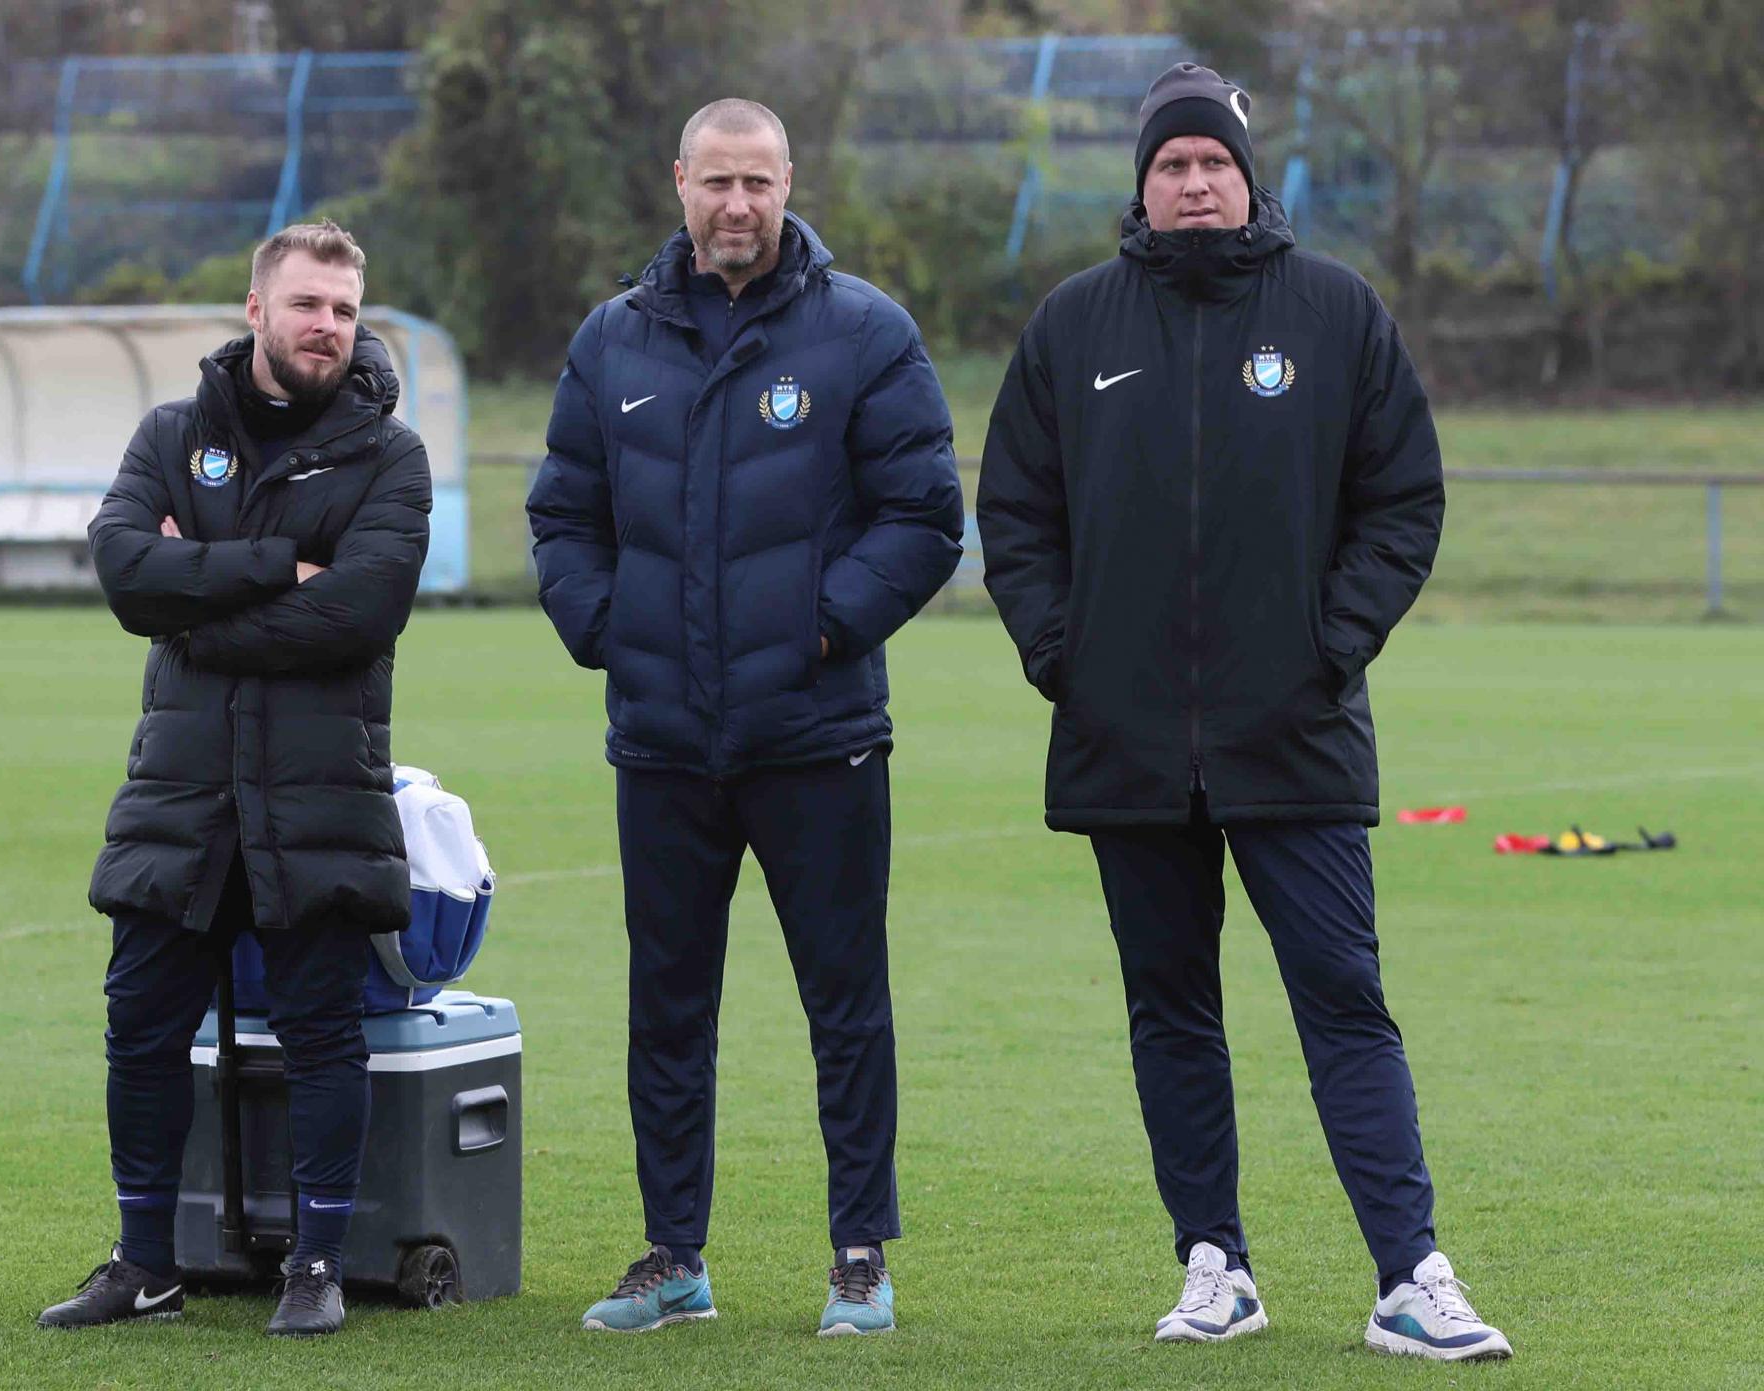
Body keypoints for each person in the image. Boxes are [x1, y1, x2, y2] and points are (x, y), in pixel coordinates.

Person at [977, 63, 1512, 1362]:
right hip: (1125, 742)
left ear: (1247, 176)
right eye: (1172, 164)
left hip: (1296, 733)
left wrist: (1331, 646)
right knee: (1172, 1011)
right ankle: (1214, 1263)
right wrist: (1063, 656)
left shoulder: (1335, 311)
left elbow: (1404, 499)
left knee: (1344, 998)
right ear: (1143, 183)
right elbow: (1015, 513)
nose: (1195, 181)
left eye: (1214, 161)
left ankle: (1410, 1273)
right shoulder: (1074, 325)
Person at [528, 98, 962, 1338]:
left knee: (846, 1004)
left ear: (789, 183)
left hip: (819, 734)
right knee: (666, 1007)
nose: (737, 205)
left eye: (757, 182)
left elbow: (926, 517)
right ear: (679, 181)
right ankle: (674, 1257)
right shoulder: (613, 338)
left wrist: (819, 630)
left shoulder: (864, 331)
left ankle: (859, 1256)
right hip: (663, 737)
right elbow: (562, 515)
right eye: (716, 181)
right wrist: (612, 631)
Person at [36, 222, 432, 1338]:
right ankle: (146, 1263)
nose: (327, 327)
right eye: (306, 304)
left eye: (344, 310)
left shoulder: (390, 456)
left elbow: (359, 610)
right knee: (139, 1025)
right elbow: (126, 569)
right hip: (182, 791)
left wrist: (197, 612)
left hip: (319, 793)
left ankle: (318, 1263)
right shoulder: (173, 434)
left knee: (322, 1032)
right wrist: (273, 567)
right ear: (255, 309)